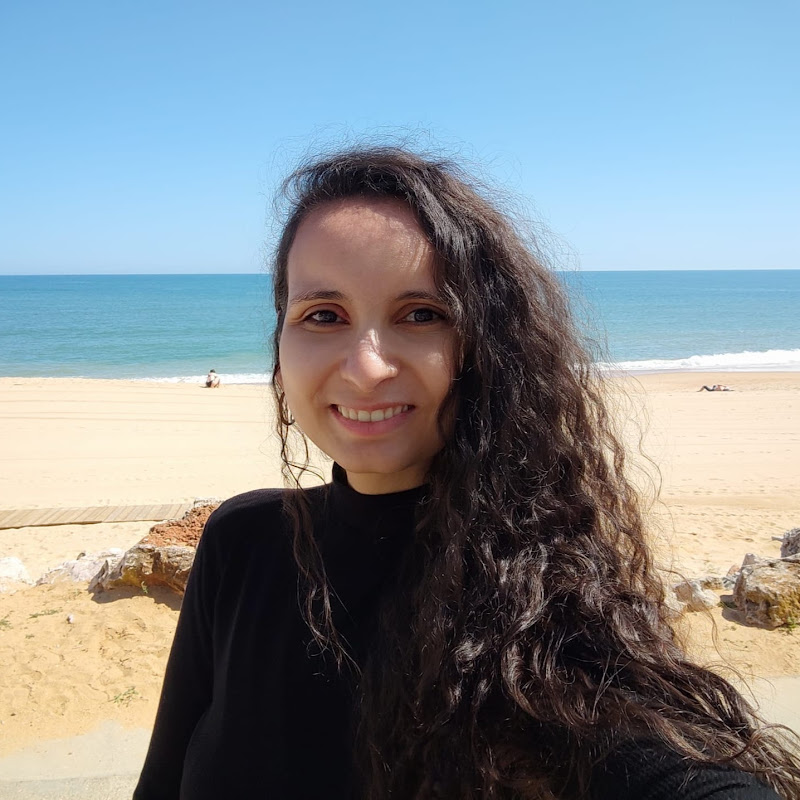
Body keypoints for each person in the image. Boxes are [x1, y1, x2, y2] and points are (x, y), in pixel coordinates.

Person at [134, 148, 800, 799]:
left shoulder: (538, 598)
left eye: (422, 314)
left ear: (486, 348)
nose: (366, 368)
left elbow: (653, 761)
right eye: (324, 315)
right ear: (281, 346)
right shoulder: (241, 541)